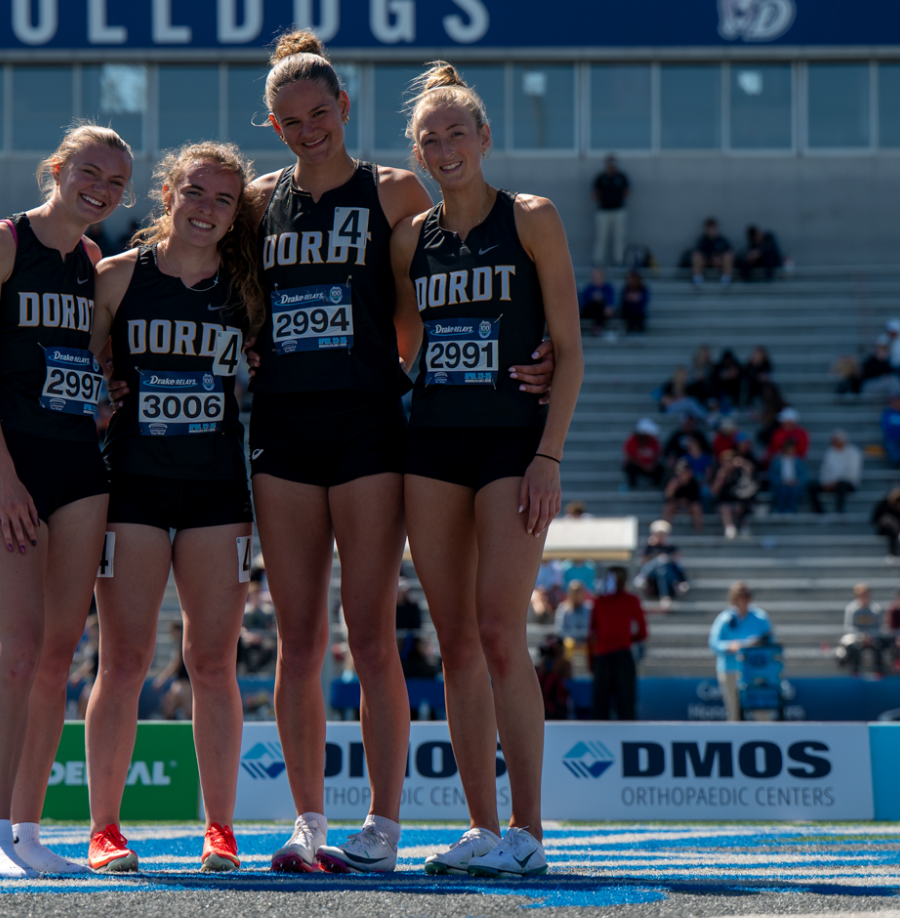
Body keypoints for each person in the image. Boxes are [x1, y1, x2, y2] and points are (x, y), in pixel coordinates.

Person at [234, 35, 561, 881]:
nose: (307, 129)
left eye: (320, 113)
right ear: (273, 125)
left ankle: (386, 823)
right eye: (290, 120)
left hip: (374, 430)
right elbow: (234, 299)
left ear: (344, 108)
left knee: (376, 634)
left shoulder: (396, 194)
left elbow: (415, 323)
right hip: (286, 433)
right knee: (299, 638)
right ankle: (309, 822)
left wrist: (524, 370)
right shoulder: (259, 201)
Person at [389, 61, 579, 881]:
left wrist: (547, 456)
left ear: (484, 137)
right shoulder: (410, 239)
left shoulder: (531, 217)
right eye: (428, 139)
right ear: (417, 152)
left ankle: (528, 829)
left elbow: (569, 351)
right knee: (455, 643)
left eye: (455, 133)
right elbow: (403, 346)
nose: (443, 149)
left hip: (512, 447)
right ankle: (479, 826)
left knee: (501, 632)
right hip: (431, 446)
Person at [79, 141, 264, 874]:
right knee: (122, 660)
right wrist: (103, 387)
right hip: (133, 485)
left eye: (223, 199)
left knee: (212, 661)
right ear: (167, 194)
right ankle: (104, 828)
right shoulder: (118, 277)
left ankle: (220, 827)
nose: (206, 208)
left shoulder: (247, 287)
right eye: (194, 192)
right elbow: (77, 367)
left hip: (217, 489)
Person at [0, 122, 130, 880]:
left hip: (77, 465)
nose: (101, 190)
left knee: (59, 654)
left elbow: (88, 364)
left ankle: (28, 832)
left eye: (116, 183)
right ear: (57, 169)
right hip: (10, 465)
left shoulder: (92, 262)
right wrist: (4, 479)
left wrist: (108, 386)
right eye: (89, 172)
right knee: (20, 651)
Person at [708, 581, 773, 721]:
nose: (744, 601)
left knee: (761, 711)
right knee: (734, 713)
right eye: (741, 597)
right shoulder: (724, 619)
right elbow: (714, 643)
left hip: (755, 669)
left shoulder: (760, 617)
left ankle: (765, 734)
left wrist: (757, 644)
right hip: (730, 669)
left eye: (747, 596)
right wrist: (729, 646)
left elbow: (771, 641)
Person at [588, 566, 647, 721]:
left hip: (602, 657)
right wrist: (626, 639)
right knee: (626, 706)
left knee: (600, 708)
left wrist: (591, 660)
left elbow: (592, 632)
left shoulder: (599, 601)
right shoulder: (631, 600)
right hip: (622, 656)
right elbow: (643, 632)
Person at [634, 520, 688, 609]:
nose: (661, 536)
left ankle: (664, 594)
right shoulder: (648, 546)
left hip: (667, 573)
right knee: (661, 562)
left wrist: (666, 559)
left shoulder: (671, 547)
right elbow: (643, 562)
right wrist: (657, 560)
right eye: (659, 534)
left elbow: (677, 563)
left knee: (662, 568)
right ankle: (667, 593)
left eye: (663, 534)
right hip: (651, 573)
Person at [808, 430, 862, 514]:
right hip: (831, 484)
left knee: (842, 485)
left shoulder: (853, 452)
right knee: (811, 487)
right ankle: (820, 512)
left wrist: (835, 482)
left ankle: (839, 512)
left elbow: (852, 473)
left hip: (847, 483)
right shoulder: (830, 452)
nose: (834, 443)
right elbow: (824, 471)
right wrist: (826, 482)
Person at [591, 154, 629, 266]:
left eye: (613, 165)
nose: (611, 167)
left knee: (619, 237)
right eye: (609, 165)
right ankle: (598, 262)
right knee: (601, 237)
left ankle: (619, 261)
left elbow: (627, 193)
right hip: (603, 212)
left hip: (619, 211)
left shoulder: (621, 177)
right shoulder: (600, 178)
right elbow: (595, 195)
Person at [688, 218, 733, 287]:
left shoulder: (722, 240)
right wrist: (709, 257)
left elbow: (729, 250)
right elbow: (698, 251)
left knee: (728, 256)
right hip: (706, 262)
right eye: (710, 228)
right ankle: (697, 279)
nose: (711, 230)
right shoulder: (702, 240)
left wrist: (719, 257)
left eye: (713, 228)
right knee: (696, 256)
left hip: (719, 262)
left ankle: (726, 279)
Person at [661, 461, 703, 532]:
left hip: (689, 508)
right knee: (667, 508)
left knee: (697, 508)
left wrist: (685, 502)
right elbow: (667, 498)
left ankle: (699, 533)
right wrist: (672, 488)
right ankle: (664, 532)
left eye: (684, 472)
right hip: (676, 508)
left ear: (689, 473)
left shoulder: (694, 483)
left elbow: (696, 500)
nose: (681, 475)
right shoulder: (673, 482)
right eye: (680, 473)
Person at [872, 487, 900, 560]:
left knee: (892, 532)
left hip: (895, 531)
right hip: (883, 529)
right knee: (887, 519)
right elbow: (874, 519)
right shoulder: (884, 503)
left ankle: (893, 553)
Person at [622, 418, 662, 489]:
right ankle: (633, 486)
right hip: (638, 466)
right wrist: (642, 465)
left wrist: (652, 465)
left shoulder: (653, 441)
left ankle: (654, 487)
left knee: (660, 467)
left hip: (650, 467)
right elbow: (629, 456)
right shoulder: (633, 440)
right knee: (629, 467)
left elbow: (657, 454)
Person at [768, 442, 806, 513]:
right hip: (780, 484)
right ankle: (779, 510)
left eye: (791, 449)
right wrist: (780, 481)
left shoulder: (798, 461)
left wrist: (797, 481)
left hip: (794, 485)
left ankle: (791, 510)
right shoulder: (777, 461)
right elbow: (772, 475)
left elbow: (804, 475)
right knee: (782, 491)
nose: (790, 451)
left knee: (794, 491)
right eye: (788, 449)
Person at [578, 268, 615, 336]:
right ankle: (597, 327)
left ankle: (597, 327)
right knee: (596, 303)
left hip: (603, 311)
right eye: (595, 275)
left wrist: (608, 306)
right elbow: (584, 303)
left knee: (600, 304)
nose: (596, 277)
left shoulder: (608, 288)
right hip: (590, 311)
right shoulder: (588, 288)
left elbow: (611, 302)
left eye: (598, 275)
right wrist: (593, 298)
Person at [620, 270, 649, 335]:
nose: (633, 281)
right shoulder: (626, 289)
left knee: (638, 312)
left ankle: (640, 330)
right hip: (628, 311)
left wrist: (636, 298)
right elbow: (623, 301)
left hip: (639, 311)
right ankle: (630, 330)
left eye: (634, 279)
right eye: (631, 278)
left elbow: (645, 300)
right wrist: (632, 298)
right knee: (629, 311)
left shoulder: (643, 288)